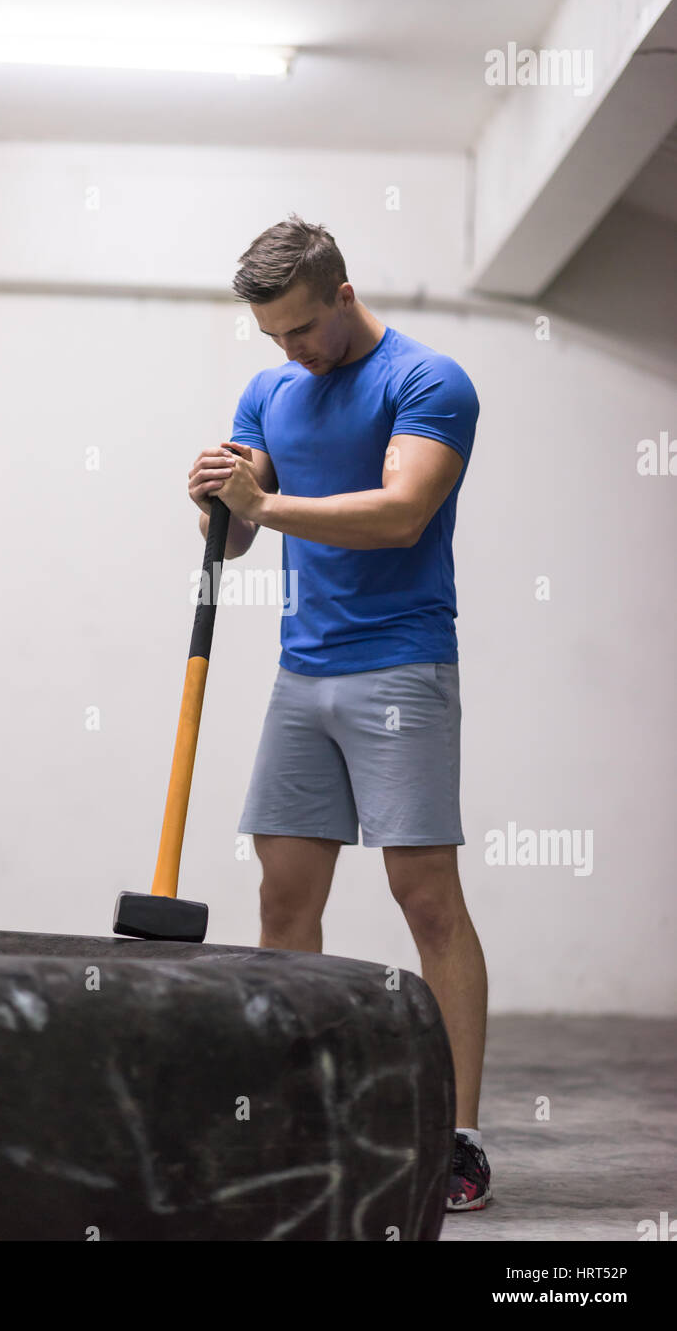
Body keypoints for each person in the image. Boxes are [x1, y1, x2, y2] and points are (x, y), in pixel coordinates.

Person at [187, 214, 491, 1214]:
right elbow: (236, 538)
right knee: (282, 901)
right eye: (273, 335)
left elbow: (400, 513)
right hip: (301, 673)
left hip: (401, 666)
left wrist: (263, 506)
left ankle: (456, 1138)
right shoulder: (271, 390)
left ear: (345, 295)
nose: (292, 351)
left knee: (425, 897)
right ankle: (295, 1120)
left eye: (304, 328)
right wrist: (216, 501)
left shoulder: (427, 381)